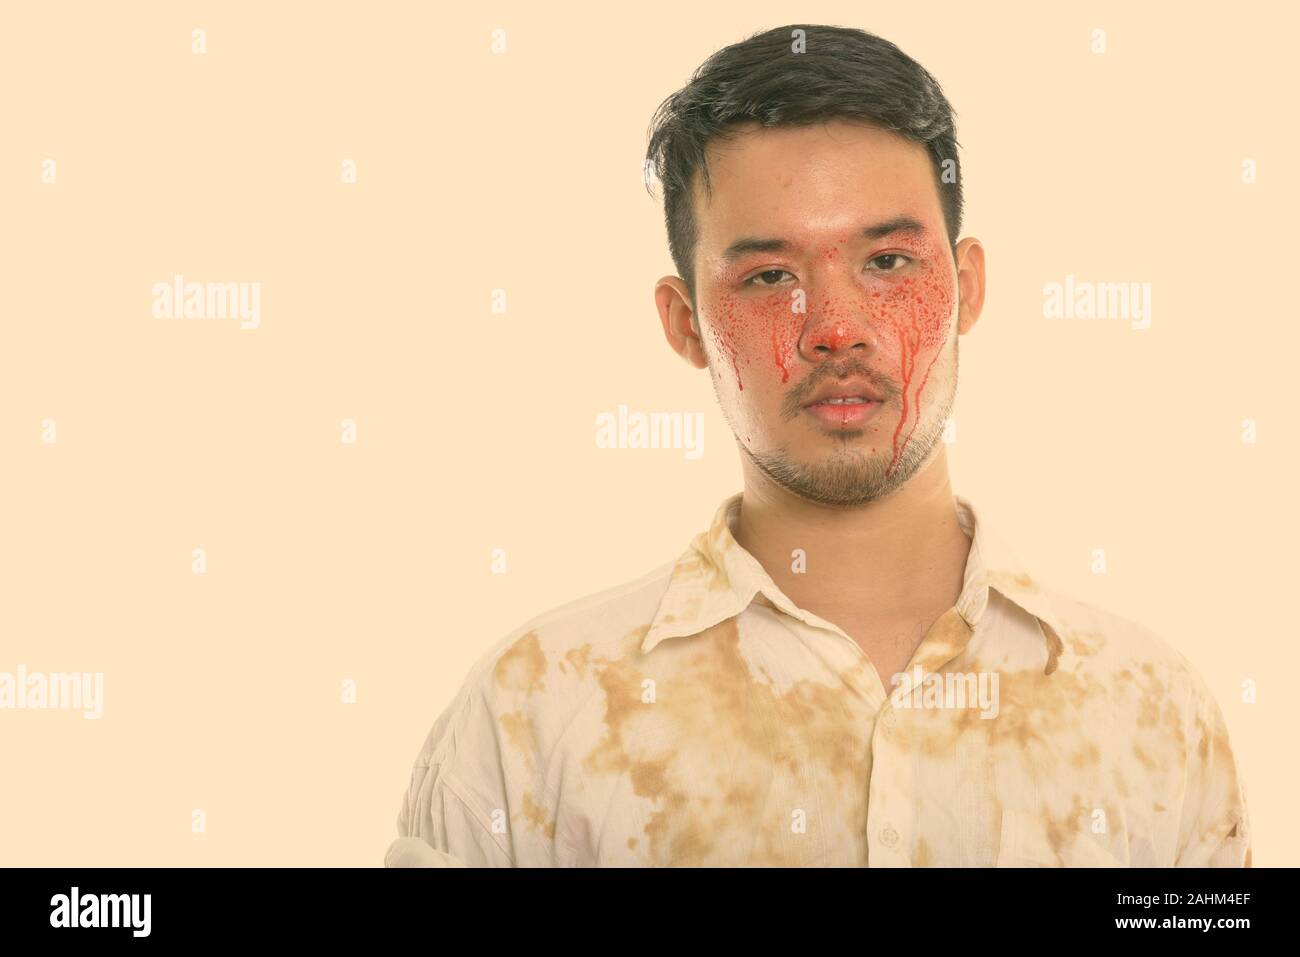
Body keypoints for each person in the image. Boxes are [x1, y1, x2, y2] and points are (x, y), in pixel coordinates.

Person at [388, 23, 1250, 867]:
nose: (836, 329)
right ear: (685, 324)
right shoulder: (532, 718)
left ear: (968, 288)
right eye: (770, 277)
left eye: (888, 262)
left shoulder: (1153, 716)